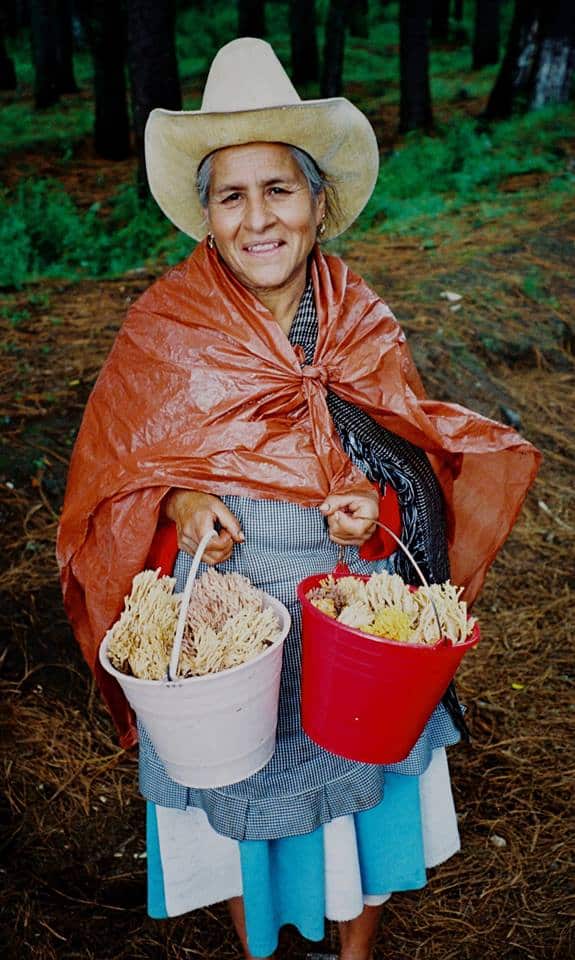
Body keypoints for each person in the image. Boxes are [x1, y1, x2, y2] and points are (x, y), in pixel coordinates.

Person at [57, 38, 540, 960]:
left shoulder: (359, 320)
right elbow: (118, 473)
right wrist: (180, 503)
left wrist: (373, 505)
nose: (258, 217)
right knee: (242, 793)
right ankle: (263, 947)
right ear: (207, 216)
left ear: (319, 204)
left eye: (279, 189)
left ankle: (354, 952)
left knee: (364, 782)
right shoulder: (167, 328)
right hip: (230, 623)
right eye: (231, 195)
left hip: (346, 618)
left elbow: (408, 461)